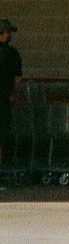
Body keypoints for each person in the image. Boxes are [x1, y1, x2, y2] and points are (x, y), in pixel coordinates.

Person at [0, 20, 20, 170]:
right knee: (4, 130)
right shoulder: (12, 54)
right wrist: (14, 93)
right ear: (5, 34)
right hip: (4, 97)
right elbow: (17, 78)